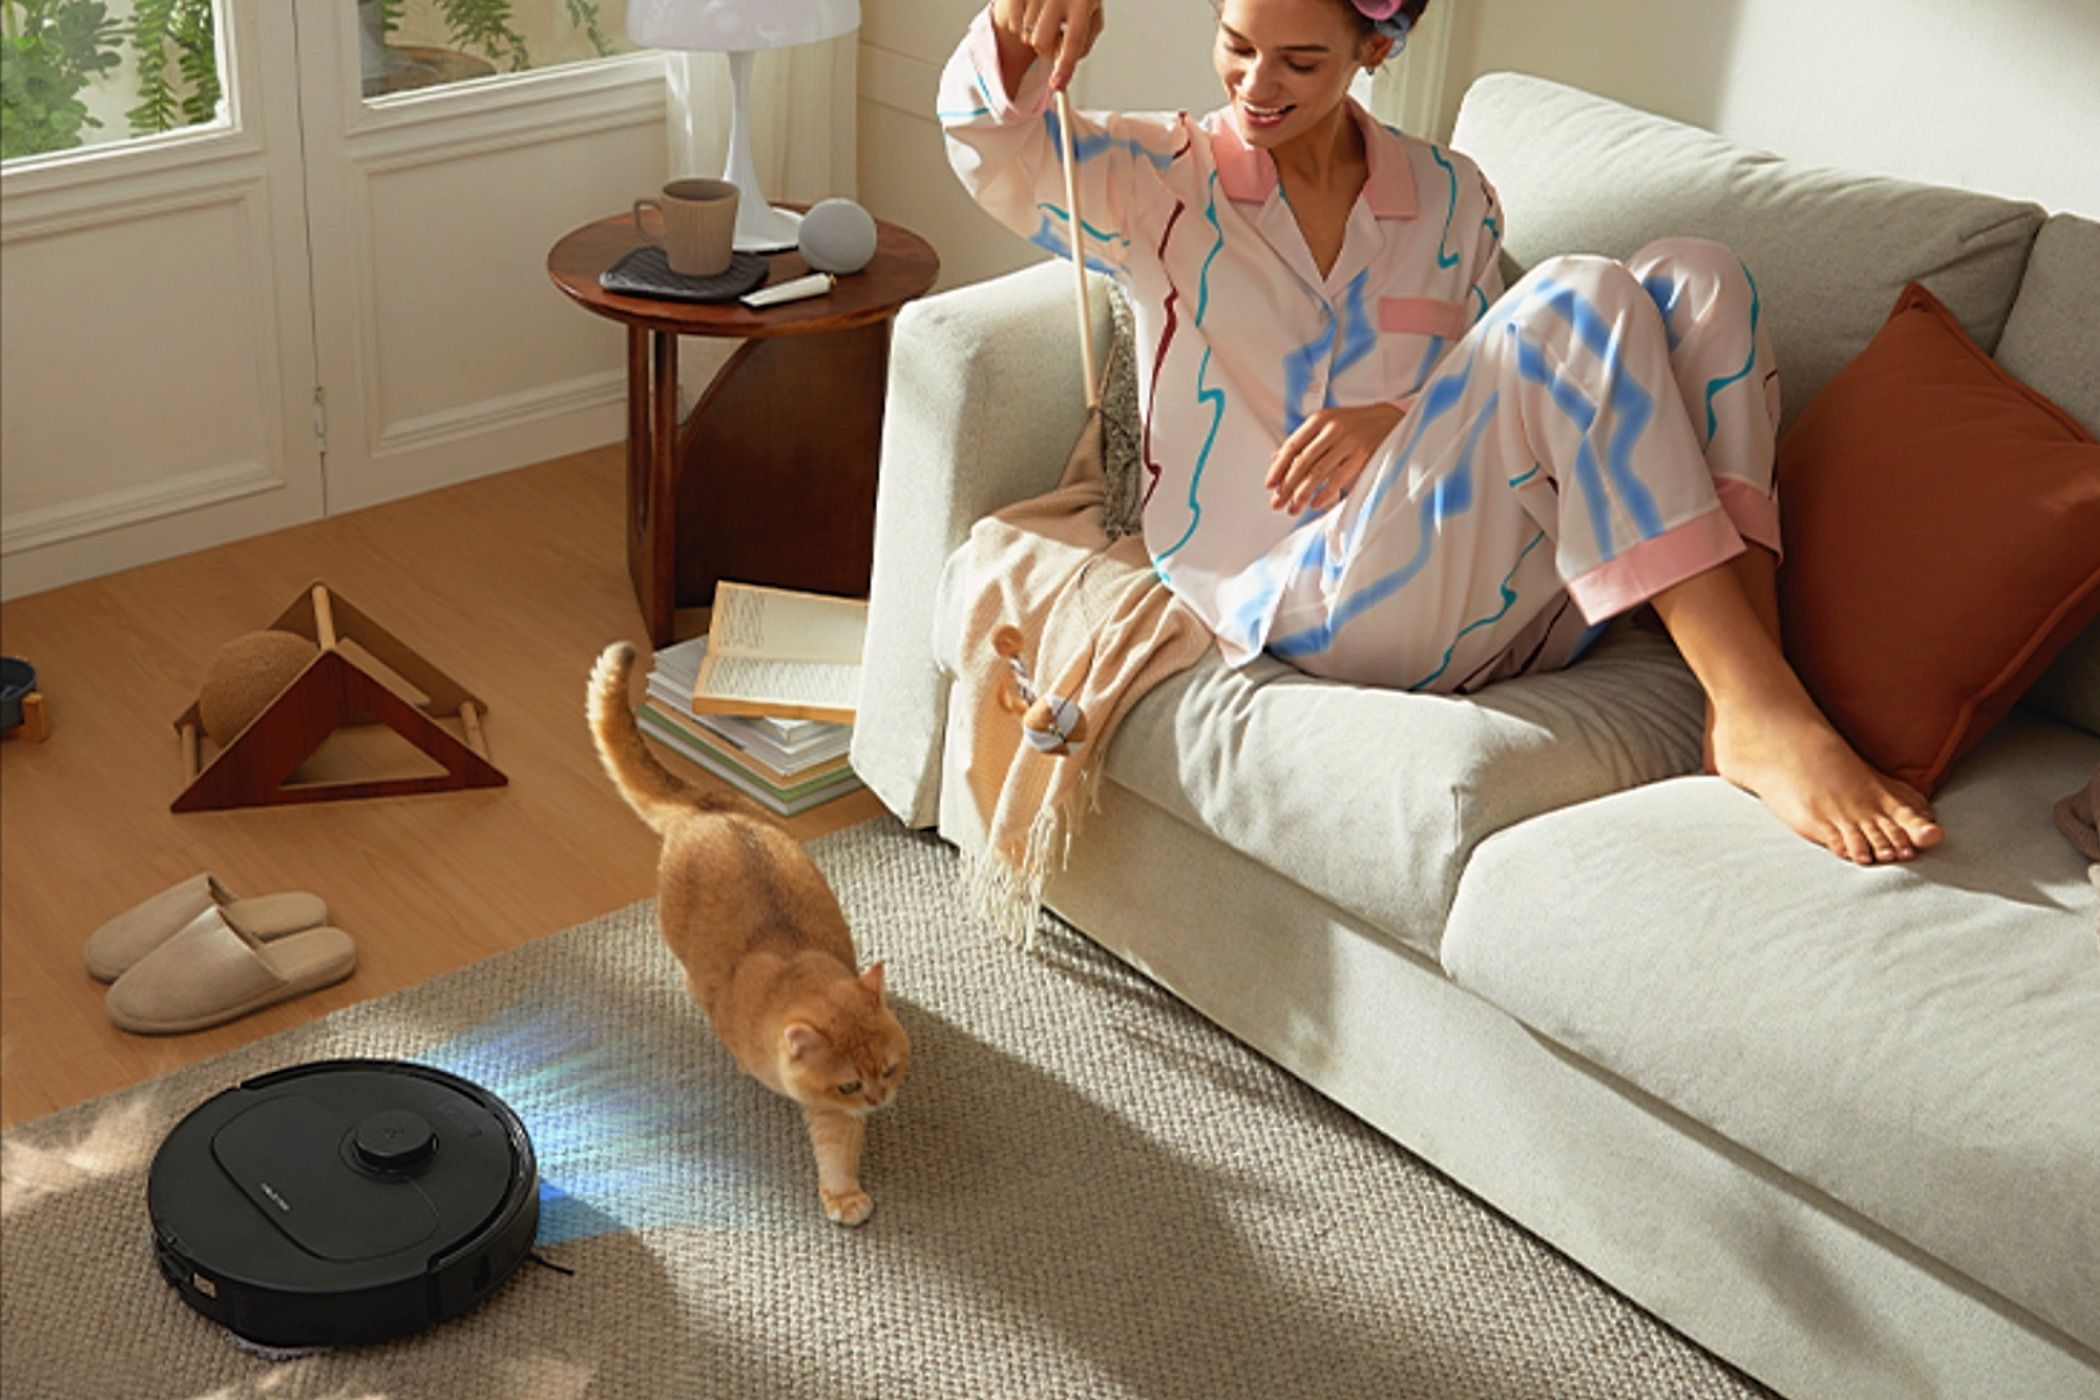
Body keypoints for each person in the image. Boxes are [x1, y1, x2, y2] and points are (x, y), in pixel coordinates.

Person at [940, 0, 1945, 867]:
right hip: (1305, 594)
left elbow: (1500, 396)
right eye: (1236, 44)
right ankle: (1762, 706)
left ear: (1372, 54)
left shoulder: (1451, 196)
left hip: (1496, 593)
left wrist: (1393, 419)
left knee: (1700, 275)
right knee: (1579, 296)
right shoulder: (1162, 177)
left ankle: (1751, 694)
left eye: (1300, 61)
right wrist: (1021, 30)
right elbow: (992, 146)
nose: (1255, 84)